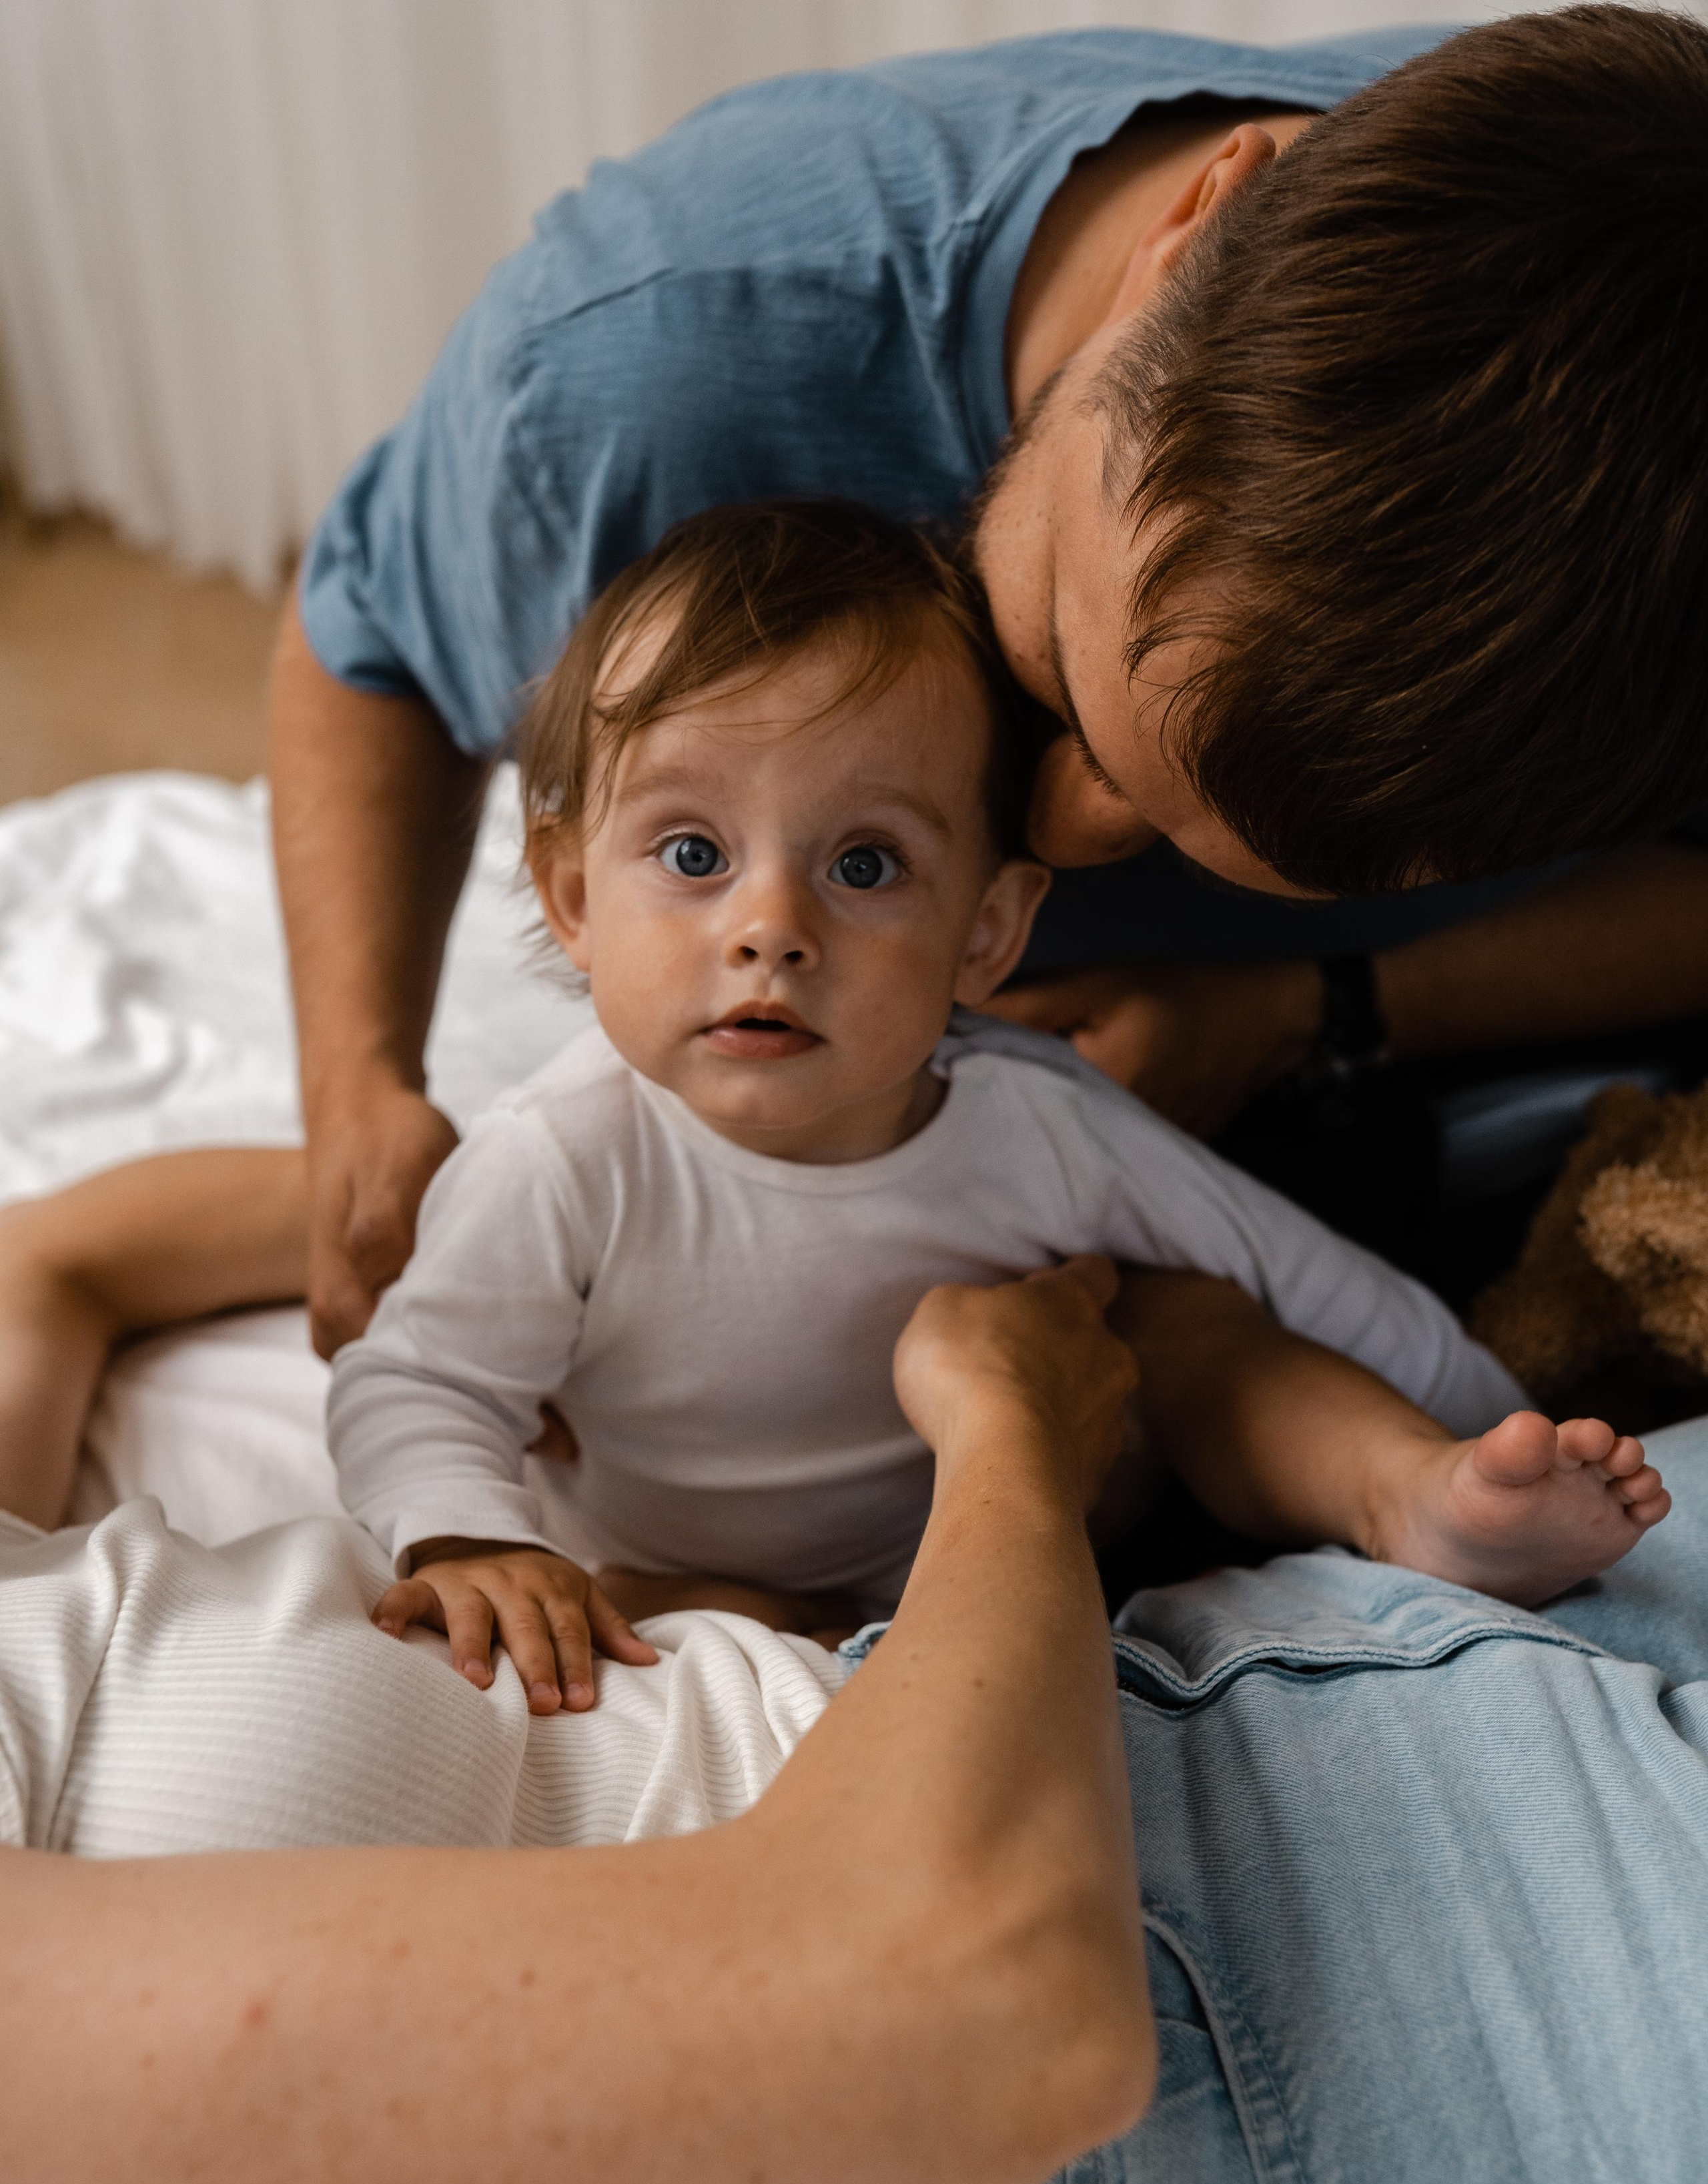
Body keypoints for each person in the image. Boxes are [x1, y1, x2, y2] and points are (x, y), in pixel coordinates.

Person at [4, 1196, 1708, 2184]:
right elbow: (954, 2026)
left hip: (1273, 1683)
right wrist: (1005, 1437)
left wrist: (639, 1187)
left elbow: (57, 1260)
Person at [270, 7, 1708, 1357]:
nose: (1049, 848)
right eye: (1059, 678)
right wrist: (356, 1086)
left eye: (1230, 859)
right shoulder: (630, 382)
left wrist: (1309, 1004)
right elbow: (368, 636)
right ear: (1186, 238)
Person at [323, 497, 1665, 1710]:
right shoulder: (561, 1158)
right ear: (571, 899)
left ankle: (1409, 1497)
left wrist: (1492, 1410)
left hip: (1016, 1531)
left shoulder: (1037, 1121)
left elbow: (1289, 1269)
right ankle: (807, 1643)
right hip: (694, 1568)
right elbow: (418, 1383)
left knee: (1195, 1322)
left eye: (864, 865)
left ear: (985, 933)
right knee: (631, 1618)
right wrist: (471, 1539)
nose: (769, 928)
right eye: (692, 852)